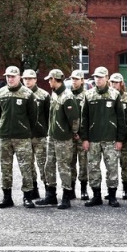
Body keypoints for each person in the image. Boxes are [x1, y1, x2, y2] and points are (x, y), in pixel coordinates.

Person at [81, 67, 127, 207]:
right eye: (96, 77)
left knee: (112, 168)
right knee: (93, 167)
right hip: (93, 139)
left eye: (101, 77)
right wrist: (85, 138)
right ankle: (96, 196)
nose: (98, 79)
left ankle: (112, 196)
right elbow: (84, 118)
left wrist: (120, 139)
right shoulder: (88, 95)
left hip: (110, 139)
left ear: (107, 78)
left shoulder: (114, 94)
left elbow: (121, 118)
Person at [35, 69, 81, 209]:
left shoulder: (67, 97)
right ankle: (51, 195)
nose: (49, 81)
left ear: (55, 79)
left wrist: (74, 133)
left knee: (63, 167)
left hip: (63, 139)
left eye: (50, 79)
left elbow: (74, 119)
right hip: (52, 136)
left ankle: (66, 196)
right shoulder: (55, 94)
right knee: (49, 165)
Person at [0, 66, 38, 209]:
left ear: (19, 77)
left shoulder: (27, 94)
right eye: (8, 76)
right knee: (5, 168)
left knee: (26, 168)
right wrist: (5, 125)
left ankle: (27, 197)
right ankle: (7, 197)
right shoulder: (0, 93)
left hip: (22, 138)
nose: (10, 79)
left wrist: (24, 129)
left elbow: (33, 116)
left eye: (13, 76)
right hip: (5, 136)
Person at [22, 68, 49, 202]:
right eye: (25, 79)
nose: (28, 81)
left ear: (35, 80)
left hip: (39, 136)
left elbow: (48, 115)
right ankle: (33, 190)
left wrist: (45, 130)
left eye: (30, 79)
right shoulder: (20, 94)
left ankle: (49, 192)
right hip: (25, 136)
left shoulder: (43, 95)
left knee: (43, 164)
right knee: (28, 165)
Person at [109, 73, 127, 200]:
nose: (114, 84)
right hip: (111, 137)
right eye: (112, 82)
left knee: (126, 165)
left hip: (126, 138)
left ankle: (126, 189)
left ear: (121, 83)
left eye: (117, 82)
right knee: (111, 165)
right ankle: (111, 189)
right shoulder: (108, 97)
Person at [68, 70, 90, 201]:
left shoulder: (87, 96)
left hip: (82, 136)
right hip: (69, 136)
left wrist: (83, 135)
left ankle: (83, 189)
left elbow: (88, 117)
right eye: (72, 79)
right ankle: (70, 189)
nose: (74, 81)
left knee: (83, 164)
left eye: (77, 79)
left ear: (82, 80)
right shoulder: (67, 95)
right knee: (70, 163)